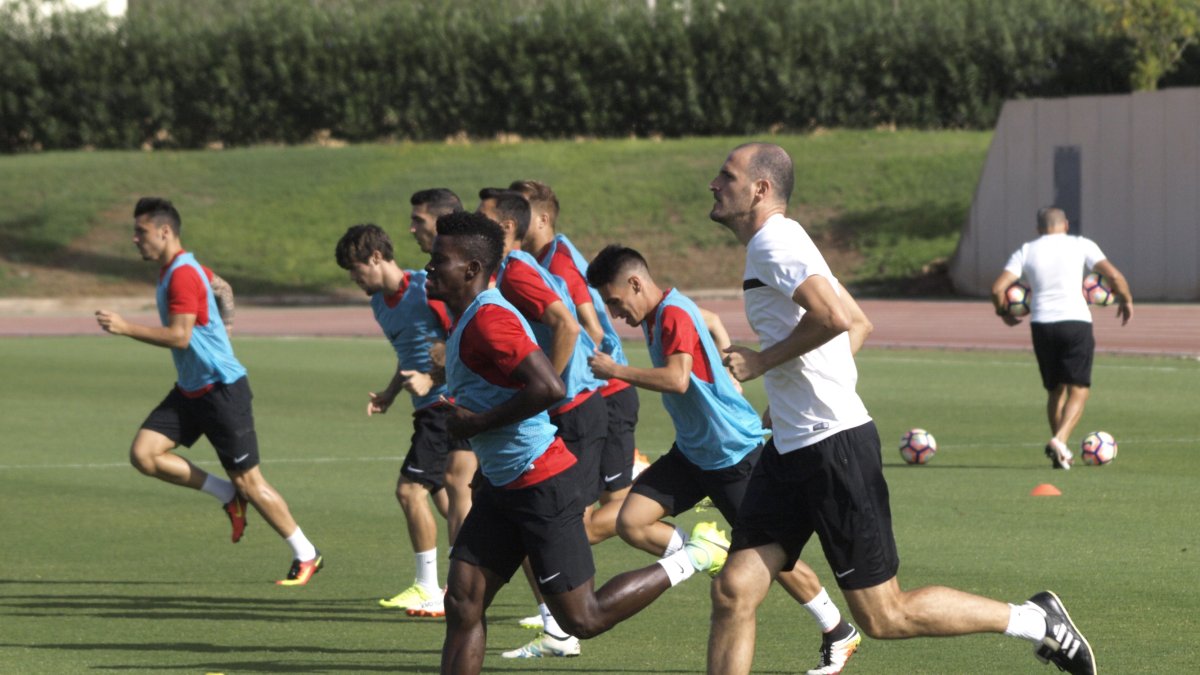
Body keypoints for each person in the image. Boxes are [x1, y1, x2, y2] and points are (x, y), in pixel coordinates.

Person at [706, 143, 1097, 675]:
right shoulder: (774, 244)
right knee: (734, 590)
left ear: (760, 189)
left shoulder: (776, 239)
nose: (713, 184)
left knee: (885, 615)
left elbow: (836, 316)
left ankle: (1037, 621)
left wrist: (763, 363)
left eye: (726, 176)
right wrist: (795, 389)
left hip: (832, 447)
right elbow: (859, 322)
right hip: (793, 447)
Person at [424, 211, 728, 675]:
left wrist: (476, 423)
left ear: (469, 268)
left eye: (438, 259)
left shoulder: (489, 318)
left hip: (542, 484)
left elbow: (549, 386)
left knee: (583, 618)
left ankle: (694, 556)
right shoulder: (472, 315)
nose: (428, 266)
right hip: (505, 485)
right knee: (464, 601)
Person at [585, 244, 864, 675]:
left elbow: (678, 380)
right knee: (631, 522)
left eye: (614, 300)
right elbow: (711, 322)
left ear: (635, 283)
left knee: (776, 561)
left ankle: (837, 630)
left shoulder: (673, 313)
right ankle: (706, 552)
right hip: (693, 452)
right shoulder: (663, 311)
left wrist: (616, 371)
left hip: (734, 453)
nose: (614, 311)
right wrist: (724, 355)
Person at [95, 197, 322, 586]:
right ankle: (225, 495)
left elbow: (180, 337)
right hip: (191, 390)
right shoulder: (180, 268)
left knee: (250, 481)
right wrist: (226, 332)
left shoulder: (182, 274)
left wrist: (125, 327)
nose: (135, 239)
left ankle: (306, 553)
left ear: (165, 232)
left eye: (141, 231)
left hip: (221, 391)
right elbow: (224, 289)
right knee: (144, 454)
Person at [475, 188, 609, 658]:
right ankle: (558, 626)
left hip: (568, 409)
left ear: (507, 227)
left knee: (574, 522)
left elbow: (570, 325)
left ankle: (685, 552)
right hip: (552, 410)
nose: (476, 221)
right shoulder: (504, 270)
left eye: (482, 217)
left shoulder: (514, 270)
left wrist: (546, 391)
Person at [509, 178, 641, 636]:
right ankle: (558, 616)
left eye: (521, 212)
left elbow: (586, 321)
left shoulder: (561, 262)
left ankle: (683, 528)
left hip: (600, 393)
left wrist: (560, 382)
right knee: (596, 513)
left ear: (542, 218)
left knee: (584, 521)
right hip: (589, 393)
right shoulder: (538, 259)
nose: (514, 221)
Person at [335, 217, 477, 618]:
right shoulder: (380, 303)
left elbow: (465, 344)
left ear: (377, 257)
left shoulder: (427, 289)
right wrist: (391, 393)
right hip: (426, 409)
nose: (354, 279)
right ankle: (476, 575)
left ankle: (430, 590)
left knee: (409, 491)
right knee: (450, 501)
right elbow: (409, 357)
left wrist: (432, 377)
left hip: (448, 405)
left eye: (356, 270)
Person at [990, 207, 1133, 469]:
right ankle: (1060, 439)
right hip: (1075, 322)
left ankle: (1061, 453)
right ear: (1066, 225)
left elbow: (998, 288)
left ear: (1038, 229)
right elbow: (1113, 275)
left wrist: (1003, 313)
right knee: (1079, 390)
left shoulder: (1027, 250)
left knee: (1054, 391)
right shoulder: (1081, 244)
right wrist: (1126, 299)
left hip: (1041, 324)